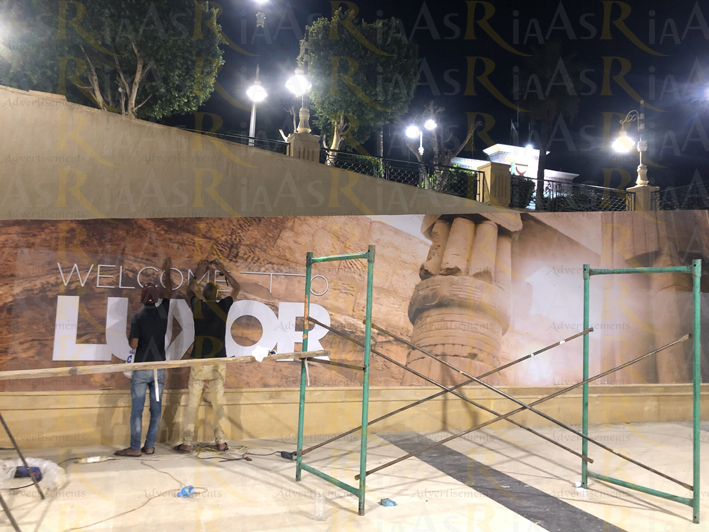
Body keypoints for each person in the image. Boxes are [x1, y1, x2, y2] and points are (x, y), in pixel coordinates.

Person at [174, 256, 241, 453]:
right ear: (218, 295)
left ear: (203, 295)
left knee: (192, 404)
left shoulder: (198, 306)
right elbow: (237, 288)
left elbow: (189, 290)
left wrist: (198, 272)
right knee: (218, 404)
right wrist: (223, 270)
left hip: (199, 361)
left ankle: (187, 443)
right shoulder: (223, 307)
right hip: (218, 360)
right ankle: (220, 442)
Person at [115, 257, 173, 457]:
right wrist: (167, 271)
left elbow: (133, 345)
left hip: (141, 369)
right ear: (156, 299)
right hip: (158, 370)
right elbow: (169, 292)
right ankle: (149, 446)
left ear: (141, 299)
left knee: (137, 411)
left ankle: (135, 448)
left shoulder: (137, 318)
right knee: (155, 410)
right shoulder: (163, 311)